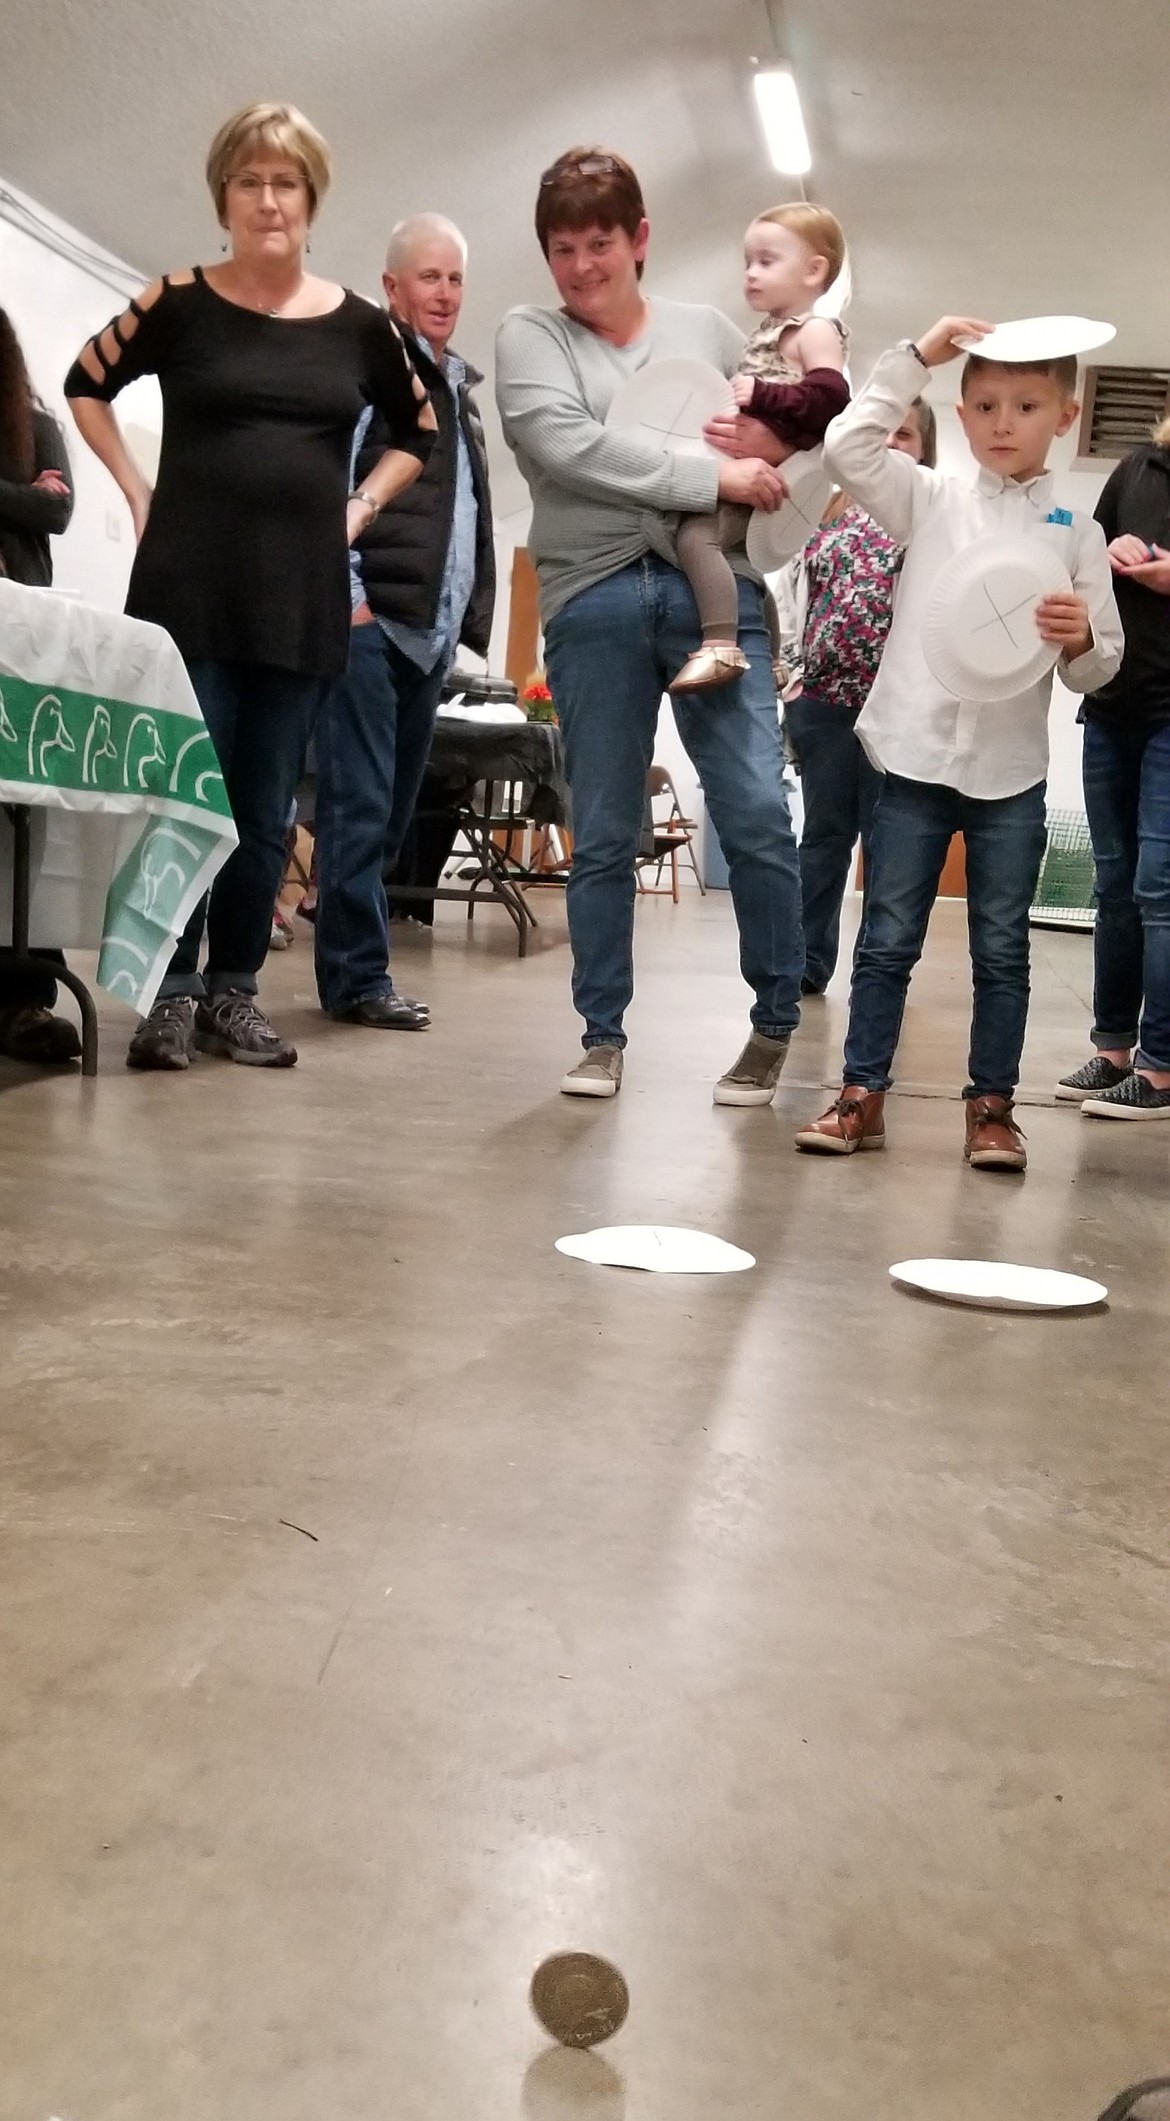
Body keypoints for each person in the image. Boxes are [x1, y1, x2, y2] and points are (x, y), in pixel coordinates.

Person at [65, 101, 435, 1073]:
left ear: (312, 200)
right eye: (249, 181)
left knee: (262, 805)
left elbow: (419, 432)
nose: (268, 201)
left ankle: (233, 990)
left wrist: (357, 509)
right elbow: (83, 382)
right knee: (179, 795)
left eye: (286, 183)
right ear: (223, 196)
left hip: (300, 593)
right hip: (187, 585)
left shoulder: (359, 325)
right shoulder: (175, 301)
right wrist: (136, 487)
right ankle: (167, 995)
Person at [495, 146, 804, 1105]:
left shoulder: (709, 331)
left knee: (755, 808)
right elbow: (568, 446)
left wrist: (769, 449)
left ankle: (773, 1022)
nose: (582, 267)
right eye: (561, 249)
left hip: (720, 597)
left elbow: (776, 437)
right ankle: (601, 1033)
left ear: (639, 239)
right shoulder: (528, 335)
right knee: (603, 829)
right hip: (592, 597)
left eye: (599, 244)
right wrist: (708, 476)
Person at [793, 315, 1123, 1171]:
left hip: (1010, 771)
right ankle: (861, 1093)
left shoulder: (1075, 530)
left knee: (1002, 946)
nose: (1000, 422)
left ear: (1065, 414)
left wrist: (1082, 636)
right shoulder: (929, 497)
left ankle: (992, 1108)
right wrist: (915, 360)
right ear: (962, 411)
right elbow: (846, 448)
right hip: (911, 757)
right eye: (981, 405)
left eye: (1024, 404)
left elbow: (1097, 671)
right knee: (888, 936)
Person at [313, 213, 495, 1029]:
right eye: (429, 277)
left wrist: (460, 618)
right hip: (369, 624)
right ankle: (357, 980)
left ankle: (356, 963)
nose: (445, 293)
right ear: (392, 286)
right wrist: (348, 598)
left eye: (455, 278)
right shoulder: (370, 373)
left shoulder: (458, 387)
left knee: (390, 815)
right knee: (358, 807)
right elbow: (335, 487)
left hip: (429, 635)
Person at [781, 397, 937, 994]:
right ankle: (805, 965)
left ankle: (881, 970)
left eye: (906, 435)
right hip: (822, 702)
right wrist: (790, 677)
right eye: (885, 433)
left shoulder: (931, 514)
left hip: (895, 708)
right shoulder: (827, 510)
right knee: (823, 837)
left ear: (924, 447)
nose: (894, 444)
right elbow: (794, 594)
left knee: (888, 842)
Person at [672, 202, 849, 693]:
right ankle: (770, 658)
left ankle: (721, 645)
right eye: (747, 262)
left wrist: (762, 394)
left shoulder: (814, 330)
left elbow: (833, 399)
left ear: (815, 270)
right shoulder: (770, 332)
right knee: (740, 562)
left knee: (695, 539)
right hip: (743, 472)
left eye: (767, 262)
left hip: (775, 480)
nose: (751, 274)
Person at [1055, 422, 1170, 1119]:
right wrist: (1107, 548)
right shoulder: (1135, 470)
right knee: (1115, 885)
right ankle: (1114, 1049)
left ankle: (1159, 1069)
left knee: (1159, 886)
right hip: (1111, 704)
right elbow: (1077, 555)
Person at [0, 308, 78, 1066]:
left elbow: (55, 505)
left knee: (23, 813)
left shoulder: (35, 423)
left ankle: (26, 992)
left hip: (19, 639)